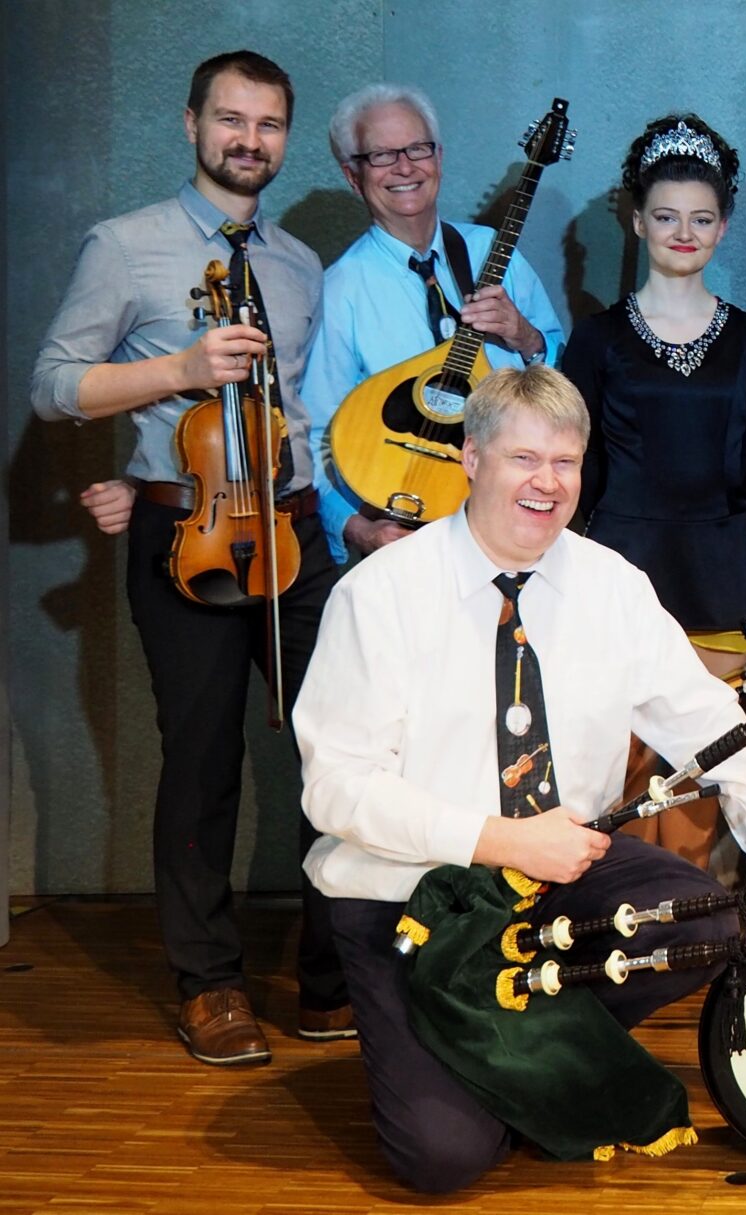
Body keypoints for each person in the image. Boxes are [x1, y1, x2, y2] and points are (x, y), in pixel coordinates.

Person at [294, 365, 746, 1193]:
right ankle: (488, 1058)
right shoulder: (379, 595)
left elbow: (716, 731)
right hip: (411, 897)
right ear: (471, 458)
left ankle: (515, 1042)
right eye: (523, 458)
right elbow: (334, 787)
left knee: (711, 921)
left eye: (565, 462)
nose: (546, 482)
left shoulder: (612, 586)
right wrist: (501, 839)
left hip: (557, 879)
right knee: (445, 1160)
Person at [30, 49, 350, 1064]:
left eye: (268, 124)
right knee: (204, 759)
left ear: (285, 139)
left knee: (341, 748)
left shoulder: (297, 264)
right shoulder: (125, 247)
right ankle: (209, 985)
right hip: (188, 538)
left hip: (294, 531)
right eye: (230, 119)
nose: (248, 139)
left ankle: (331, 978)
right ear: (191, 124)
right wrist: (176, 370)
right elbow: (54, 385)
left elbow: (300, 409)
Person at [560, 113, 746, 863]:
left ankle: (690, 915)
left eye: (701, 218)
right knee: (616, 777)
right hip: (620, 565)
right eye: (665, 217)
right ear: (636, 221)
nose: (684, 233)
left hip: (720, 569)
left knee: (705, 766)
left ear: (723, 227)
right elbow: (579, 464)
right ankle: (619, 915)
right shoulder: (596, 338)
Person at [301, 82, 564, 563]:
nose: (405, 167)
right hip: (404, 532)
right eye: (381, 155)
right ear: (352, 176)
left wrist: (524, 335)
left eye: (417, 148)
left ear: (438, 157)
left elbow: (565, 384)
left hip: (508, 521)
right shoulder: (340, 290)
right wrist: (357, 529)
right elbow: (315, 435)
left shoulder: (492, 252)